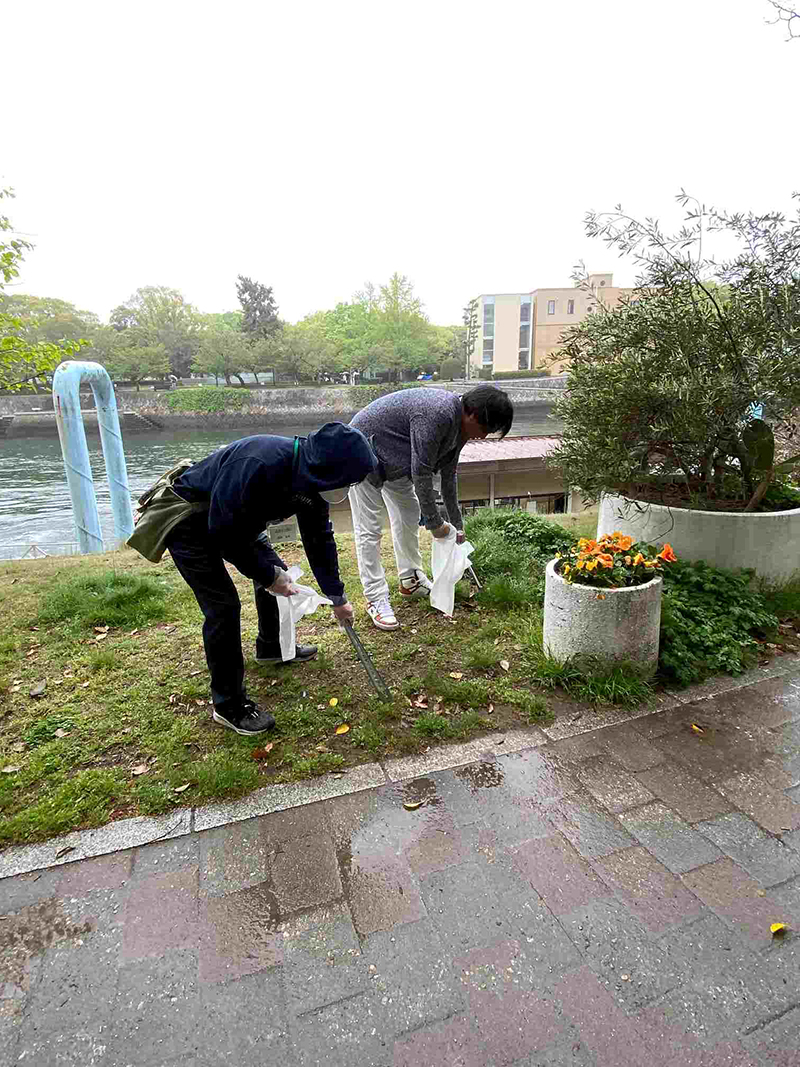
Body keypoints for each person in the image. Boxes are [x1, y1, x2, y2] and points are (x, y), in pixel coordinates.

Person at [152, 423, 376, 735]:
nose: (349, 487)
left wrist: (338, 598)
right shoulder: (261, 463)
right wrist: (269, 577)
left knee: (276, 570)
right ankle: (228, 704)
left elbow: (319, 541)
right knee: (223, 607)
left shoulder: (312, 481)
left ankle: (271, 648)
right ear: (332, 468)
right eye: (350, 480)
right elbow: (222, 532)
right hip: (189, 520)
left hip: (234, 519)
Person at [348, 384, 514, 630]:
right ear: (472, 413)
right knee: (369, 529)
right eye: (485, 429)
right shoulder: (437, 413)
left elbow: (448, 475)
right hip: (361, 451)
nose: (484, 435)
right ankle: (376, 599)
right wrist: (435, 524)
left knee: (408, 514)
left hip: (395, 460)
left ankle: (410, 580)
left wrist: (457, 525)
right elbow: (422, 472)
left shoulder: (462, 428)